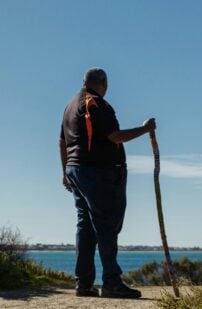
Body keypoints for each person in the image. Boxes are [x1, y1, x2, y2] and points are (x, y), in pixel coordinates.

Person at [59, 67, 155, 299]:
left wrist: (65, 172)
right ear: (103, 82)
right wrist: (146, 129)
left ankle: (83, 284)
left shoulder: (70, 106)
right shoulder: (97, 104)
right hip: (99, 174)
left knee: (86, 227)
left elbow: (62, 142)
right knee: (107, 226)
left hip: (77, 171)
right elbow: (115, 137)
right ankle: (111, 282)